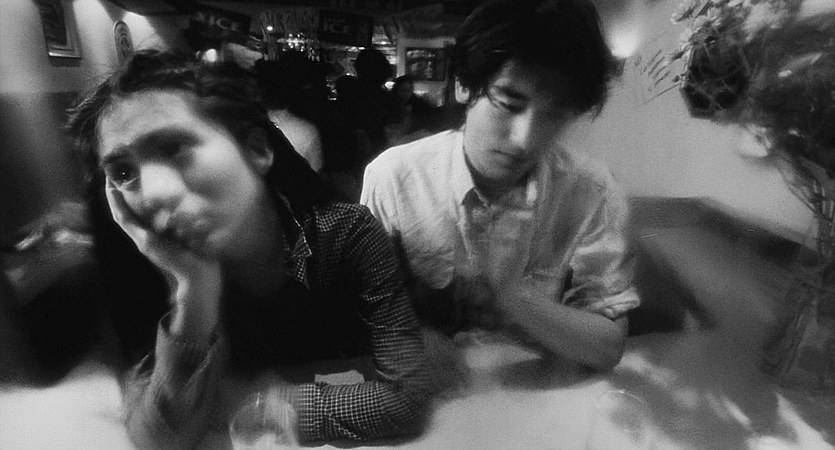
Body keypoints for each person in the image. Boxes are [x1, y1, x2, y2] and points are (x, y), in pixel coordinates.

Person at [66, 49, 431, 449]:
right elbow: (158, 439)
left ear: (257, 150)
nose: (152, 194)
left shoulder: (346, 235)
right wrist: (194, 290)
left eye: (175, 147)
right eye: (123, 172)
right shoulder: (154, 265)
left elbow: (408, 399)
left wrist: (258, 403)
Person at [361, 0, 639, 371]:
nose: (525, 139)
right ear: (464, 85)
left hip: (542, 389)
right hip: (426, 387)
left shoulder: (591, 191)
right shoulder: (395, 178)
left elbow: (607, 348)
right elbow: (367, 312)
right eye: (509, 104)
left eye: (554, 114)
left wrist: (512, 294)